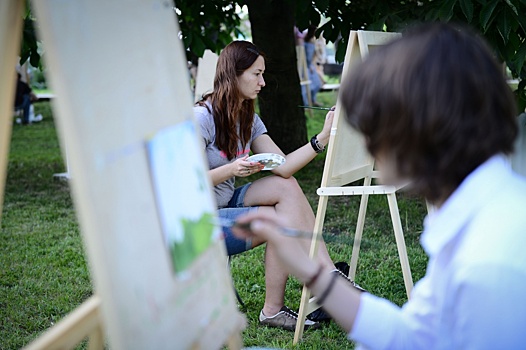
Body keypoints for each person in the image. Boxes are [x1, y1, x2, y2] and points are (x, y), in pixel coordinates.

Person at [233, 22, 526, 348]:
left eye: (373, 130)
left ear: (419, 130)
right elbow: (410, 335)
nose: (369, 148)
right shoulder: (482, 217)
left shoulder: (491, 264)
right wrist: (310, 272)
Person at [194, 40, 363, 331]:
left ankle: (329, 275)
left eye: (262, 74)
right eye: (256, 74)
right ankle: (280, 307)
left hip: (223, 203)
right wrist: (232, 168)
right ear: (234, 74)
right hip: (195, 217)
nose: (262, 82)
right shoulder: (201, 119)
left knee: (286, 185)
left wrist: (322, 136)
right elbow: (187, 184)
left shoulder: (248, 119)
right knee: (275, 220)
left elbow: (283, 165)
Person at [302, 25, 323, 107]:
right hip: (307, 66)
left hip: (310, 65)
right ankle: (307, 102)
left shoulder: (310, 40)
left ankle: (312, 100)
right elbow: (307, 57)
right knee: (308, 85)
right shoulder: (308, 41)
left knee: (317, 83)